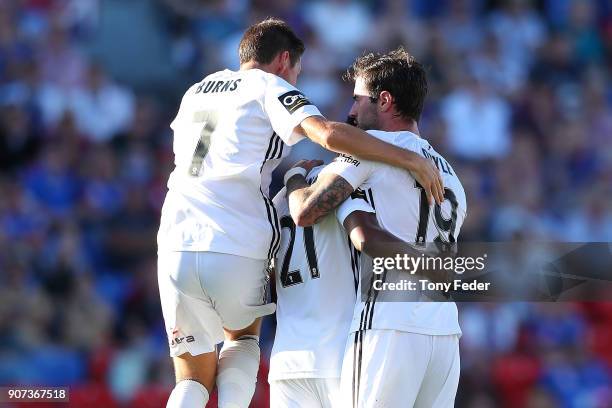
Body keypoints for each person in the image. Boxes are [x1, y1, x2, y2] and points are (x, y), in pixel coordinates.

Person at [156, 19, 444, 408]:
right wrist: (408, 157)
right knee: (241, 339)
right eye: (296, 73)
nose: (295, 80)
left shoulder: (195, 91)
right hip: (234, 238)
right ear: (284, 61)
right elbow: (326, 132)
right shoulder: (269, 86)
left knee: (190, 378)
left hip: (174, 239)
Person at [284, 47, 467, 407]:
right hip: (445, 331)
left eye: (357, 99)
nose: (351, 112)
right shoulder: (451, 174)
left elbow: (305, 211)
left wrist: (294, 179)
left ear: (384, 101)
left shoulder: (369, 150)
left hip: (389, 323)